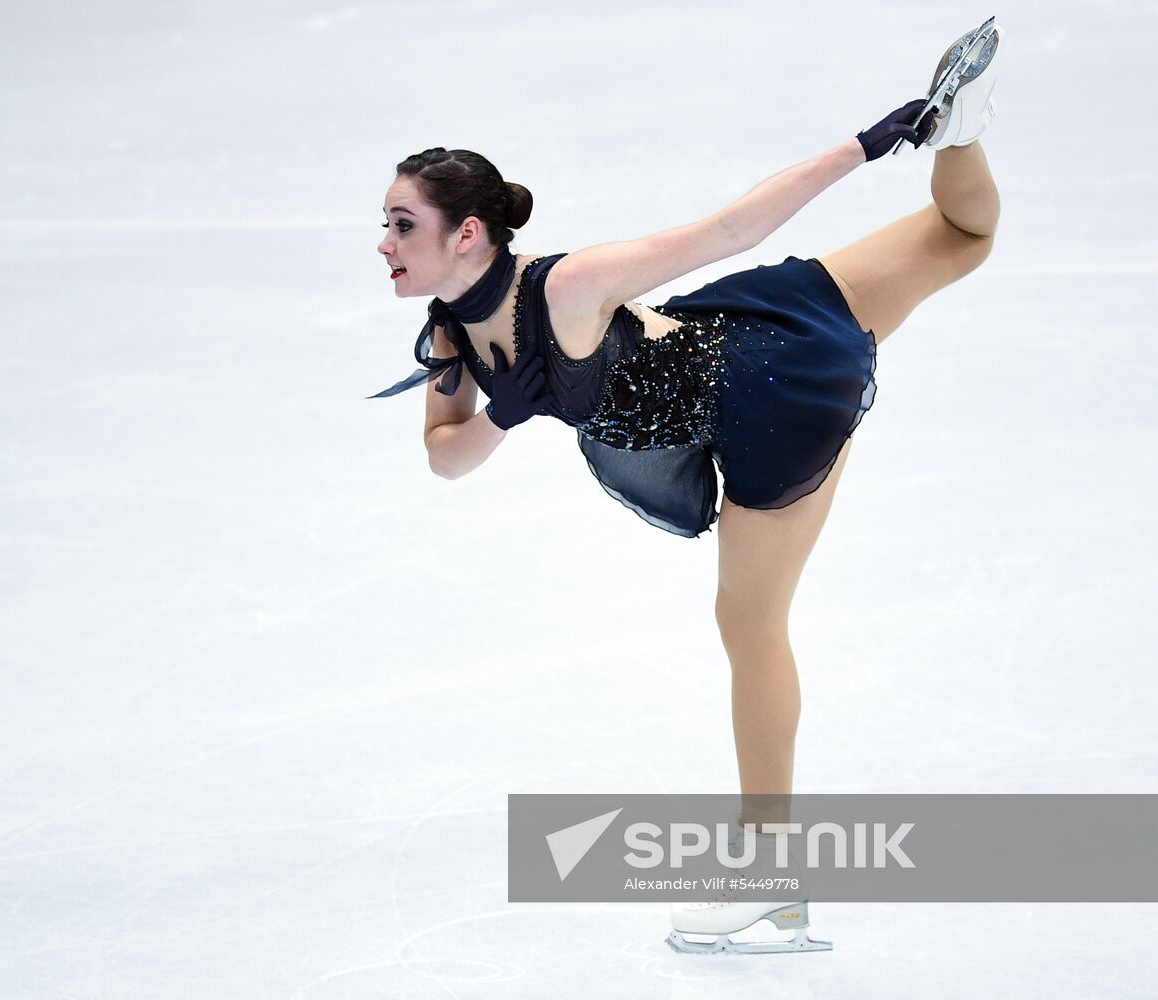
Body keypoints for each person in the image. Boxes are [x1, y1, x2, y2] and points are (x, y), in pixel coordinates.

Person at [369, 19, 1003, 954]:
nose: (382, 241)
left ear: (467, 234)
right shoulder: (452, 339)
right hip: (745, 339)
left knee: (748, 625)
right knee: (963, 233)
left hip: (764, 392)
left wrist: (873, 142)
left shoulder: (567, 286)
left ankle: (771, 877)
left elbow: (730, 228)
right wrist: (507, 410)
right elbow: (443, 454)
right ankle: (968, 133)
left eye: (400, 224)